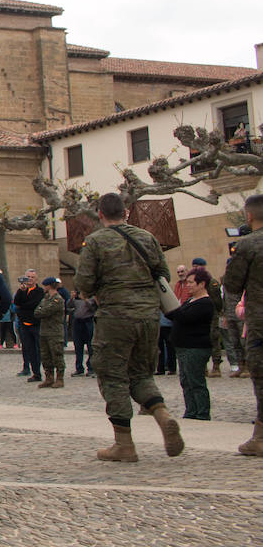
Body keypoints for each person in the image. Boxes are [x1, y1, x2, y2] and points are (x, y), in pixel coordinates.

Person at [74, 192, 183, 462]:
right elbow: (163, 275)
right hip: (148, 316)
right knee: (142, 374)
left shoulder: (96, 241)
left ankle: (124, 444)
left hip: (115, 316)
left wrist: (99, 292)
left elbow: (84, 283)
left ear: (100, 214)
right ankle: (162, 414)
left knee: (113, 377)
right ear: (126, 213)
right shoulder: (147, 237)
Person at [222, 193, 263, 455]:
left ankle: (260, 436)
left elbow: (233, 284)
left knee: (261, 377)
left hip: (260, 322)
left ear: (248, 216)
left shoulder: (247, 245)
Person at [166, 268, 215, 420]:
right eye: (187, 282)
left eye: (191, 282)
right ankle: (191, 411)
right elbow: (175, 315)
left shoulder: (205, 303)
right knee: (186, 381)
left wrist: (172, 308)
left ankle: (202, 413)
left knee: (196, 381)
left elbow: (184, 317)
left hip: (195, 347)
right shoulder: (190, 300)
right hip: (182, 346)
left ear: (202, 284)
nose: (188, 285)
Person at [35, 277, 67, 389]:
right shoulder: (46, 298)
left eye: (45, 286)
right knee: (45, 356)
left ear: (49, 286)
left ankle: (59, 379)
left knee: (57, 355)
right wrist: (41, 311)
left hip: (55, 332)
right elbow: (37, 312)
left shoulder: (58, 299)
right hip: (44, 331)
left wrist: (41, 311)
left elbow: (45, 311)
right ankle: (49, 378)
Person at [13, 270, 43, 381]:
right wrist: (21, 292)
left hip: (36, 324)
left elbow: (33, 304)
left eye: (32, 277)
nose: (30, 279)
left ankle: (41, 371)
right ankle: (34, 372)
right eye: (28, 277)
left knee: (38, 349)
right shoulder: (22, 291)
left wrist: (23, 307)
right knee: (29, 349)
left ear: (36, 279)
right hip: (24, 324)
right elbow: (16, 303)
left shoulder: (40, 291)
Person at [70, 290, 96, 377]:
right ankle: (79, 368)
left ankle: (91, 367)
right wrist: (71, 298)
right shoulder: (76, 300)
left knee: (90, 347)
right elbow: (69, 306)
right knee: (78, 347)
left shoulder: (92, 298)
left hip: (88, 322)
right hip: (77, 323)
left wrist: (85, 299)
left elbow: (93, 309)